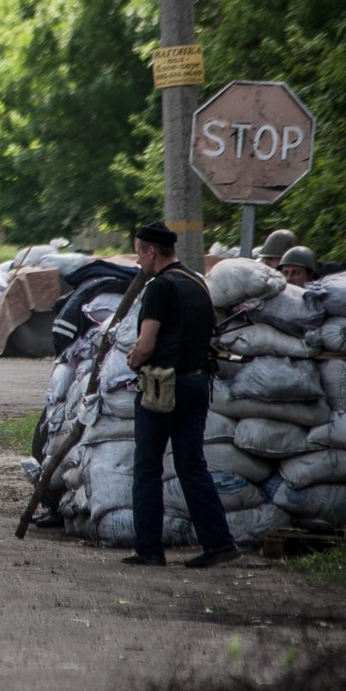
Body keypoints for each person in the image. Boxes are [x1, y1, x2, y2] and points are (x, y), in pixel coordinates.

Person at [124, 221, 238, 569]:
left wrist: (132, 360)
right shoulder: (196, 282)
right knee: (192, 465)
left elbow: (146, 344)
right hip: (197, 384)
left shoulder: (159, 288)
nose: (138, 259)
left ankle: (149, 549)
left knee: (147, 466)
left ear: (151, 251)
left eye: (139, 252)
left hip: (163, 387)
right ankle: (219, 543)